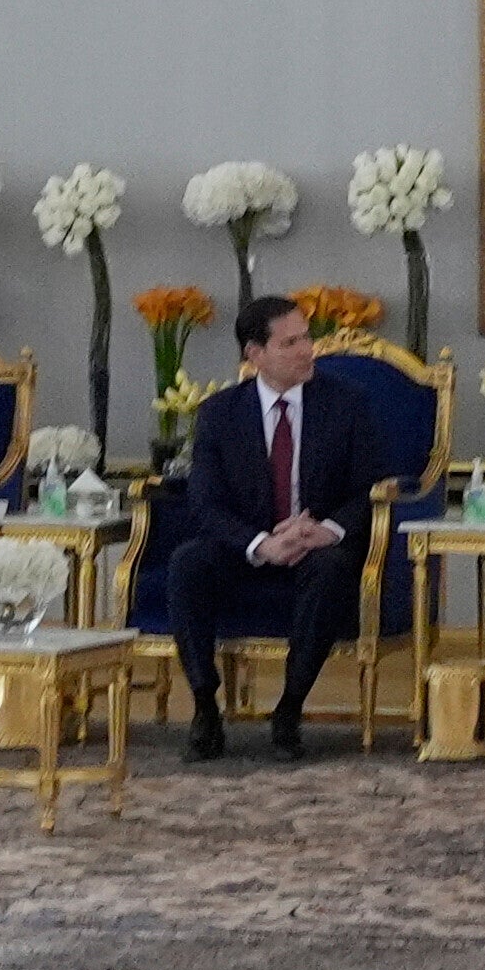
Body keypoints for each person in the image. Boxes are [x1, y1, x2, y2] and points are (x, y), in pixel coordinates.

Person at [165, 291, 380, 759]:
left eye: (306, 339)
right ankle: (205, 705)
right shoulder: (219, 413)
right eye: (290, 344)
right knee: (187, 564)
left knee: (330, 572)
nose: (307, 351)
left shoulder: (347, 405)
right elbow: (205, 502)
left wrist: (327, 530)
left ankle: (289, 709)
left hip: (316, 545)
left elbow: (370, 489)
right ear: (254, 354)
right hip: (249, 545)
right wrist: (261, 544)